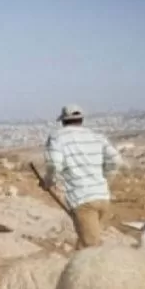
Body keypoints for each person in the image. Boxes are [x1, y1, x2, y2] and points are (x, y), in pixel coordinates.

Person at [41, 104, 123, 249]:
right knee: (86, 242)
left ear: (63, 121)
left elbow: (54, 164)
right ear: (81, 119)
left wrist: (48, 181)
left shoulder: (58, 137)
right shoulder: (96, 136)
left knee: (91, 250)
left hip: (82, 201)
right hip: (103, 198)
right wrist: (104, 181)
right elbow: (116, 161)